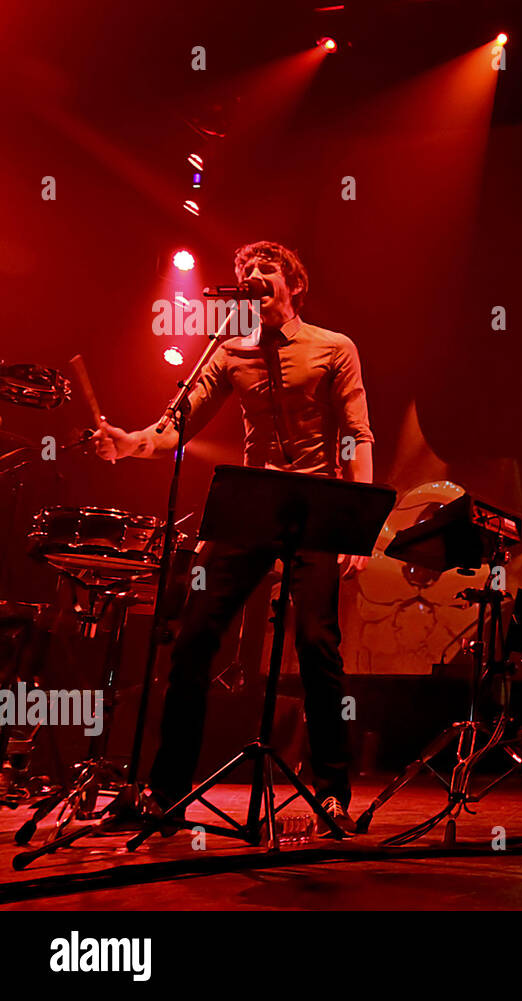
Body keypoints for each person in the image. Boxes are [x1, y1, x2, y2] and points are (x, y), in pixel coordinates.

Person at [94, 241, 374, 834]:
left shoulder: (334, 348)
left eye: (266, 270)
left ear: (293, 283)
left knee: (319, 645)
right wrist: (129, 441)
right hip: (251, 505)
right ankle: (166, 791)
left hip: (319, 507)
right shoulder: (228, 353)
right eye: (247, 271)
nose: (254, 277)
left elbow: (357, 433)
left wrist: (359, 524)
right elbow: (177, 425)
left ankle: (332, 793)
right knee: (194, 638)